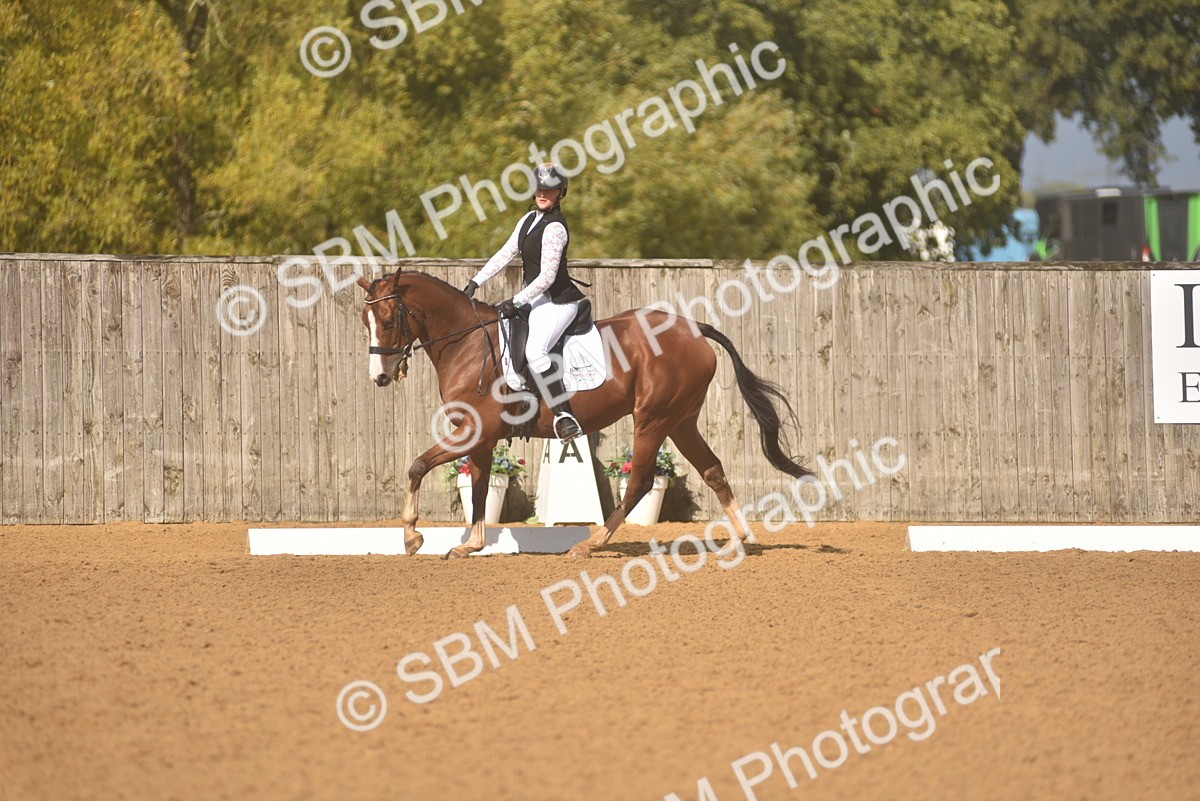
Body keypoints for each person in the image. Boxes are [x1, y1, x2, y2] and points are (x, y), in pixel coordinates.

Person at [463, 163, 586, 441]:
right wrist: (476, 281)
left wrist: (517, 300)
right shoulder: (528, 220)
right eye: (540, 188)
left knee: (536, 352)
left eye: (550, 190)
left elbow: (547, 277)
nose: (543, 193)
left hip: (558, 302)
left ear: (560, 193)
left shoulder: (555, 228)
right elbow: (505, 253)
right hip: (538, 300)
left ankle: (565, 416)